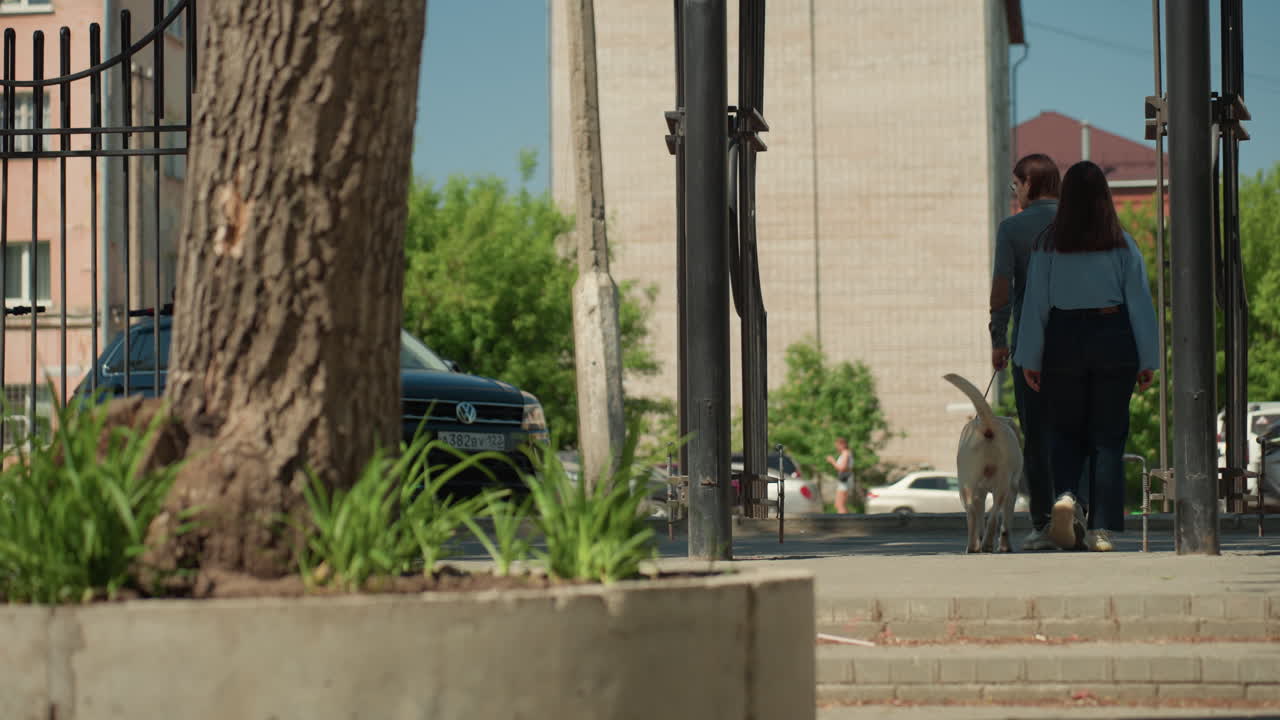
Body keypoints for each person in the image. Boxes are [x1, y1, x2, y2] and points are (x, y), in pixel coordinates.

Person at [1013, 160, 1159, 552]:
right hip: (1113, 336)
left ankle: (1066, 497)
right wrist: (1147, 358)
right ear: (1104, 198)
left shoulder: (1047, 244)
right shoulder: (1122, 242)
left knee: (1064, 430)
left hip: (1062, 338)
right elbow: (1139, 303)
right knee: (1108, 436)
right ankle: (1101, 530)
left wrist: (1030, 358)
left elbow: (1036, 304)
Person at [990, 153, 1061, 551]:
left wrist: (998, 339)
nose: (1015, 193)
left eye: (1016, 185)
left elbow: (1002, 289)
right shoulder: (1083, 223)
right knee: (1078, 430)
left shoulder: (1013, 228)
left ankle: (1044, 522)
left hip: (1030, 347)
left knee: (1036, 436)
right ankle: (1082, 514)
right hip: (1080, 343)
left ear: (1028, 184)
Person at [826, 437, 854, 514]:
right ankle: (849, 519)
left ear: (843, 444)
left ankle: (844, 520)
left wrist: (832, 461)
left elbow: (842, 468)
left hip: (845, 480)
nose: (836, 448)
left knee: (839, 504)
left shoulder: (845, 453)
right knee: (840, 504)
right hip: (845, 480)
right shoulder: (846, 453)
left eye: (837, 445)